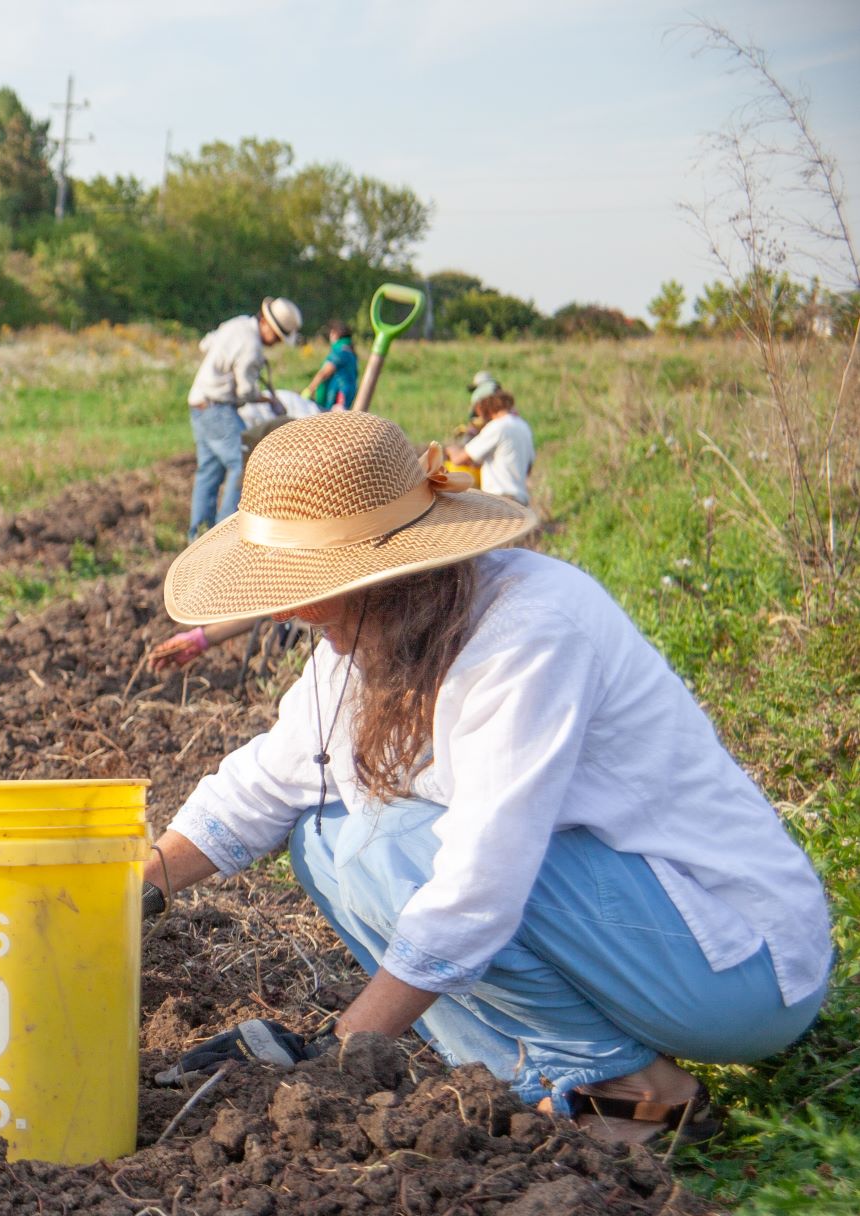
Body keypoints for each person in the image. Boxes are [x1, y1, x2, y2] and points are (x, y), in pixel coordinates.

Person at [143, 412, 829, 1147]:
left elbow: (480, 882)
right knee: (320, 836)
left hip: (734, 964)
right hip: (624, 930)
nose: (285, 609)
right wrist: (133, 889)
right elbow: (266, 782)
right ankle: (567, 1087)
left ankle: (638, 1100)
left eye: (313, 583)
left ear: (394, 571)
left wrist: (337, 1062)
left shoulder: (531, 630)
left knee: (385, 845)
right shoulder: (375, 636)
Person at [188, 297, 304, 539]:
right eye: (277, 337)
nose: (275, 344)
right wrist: (269, 400)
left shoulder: (238, 324)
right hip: (217, 409)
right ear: (268, 325)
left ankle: (197, 536)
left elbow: (206, 344)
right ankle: (225, 534)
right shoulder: (251, 346)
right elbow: (245, 392)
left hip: (198, 403)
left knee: (209, 471)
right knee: (245, 464)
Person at [449, 389, 535, 504]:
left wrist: (450, 450)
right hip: (521, 502)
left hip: (500, 500)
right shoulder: (524, 427)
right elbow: (528, 468)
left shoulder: (497, 426)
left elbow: (460, 459)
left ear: (488, 411)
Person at [302, 320, 360, 412]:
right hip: (348, 394)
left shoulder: (339, 352)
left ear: (335, 334)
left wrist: (309, 390)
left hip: (338, 396)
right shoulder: (350, 351)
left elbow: (324, 373)